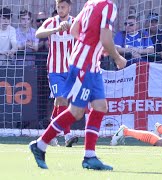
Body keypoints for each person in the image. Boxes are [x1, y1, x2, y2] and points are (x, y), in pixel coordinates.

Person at [29, 0, 126, 170]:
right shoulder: (109, 6)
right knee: (76, 111)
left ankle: (89, 156)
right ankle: (40, 144)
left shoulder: (91, 3)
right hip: (85, 65)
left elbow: (75, 31)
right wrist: (117, 58)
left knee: (100, 106)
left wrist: (90, 46)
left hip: (89, 64)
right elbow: (105, 38)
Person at [35, 0, 78, 147]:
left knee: (61, 102)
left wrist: (73, 29)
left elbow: (84, 35)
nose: (60, 9)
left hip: (71, 69)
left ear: (69, 7)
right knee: (61, 99)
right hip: (54, 70)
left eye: (63, 7)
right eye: (58, 7)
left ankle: (49, 133)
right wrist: (55, 30)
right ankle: (67, 135)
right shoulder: (51, 22)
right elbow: (38, 33)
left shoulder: (75, 21)